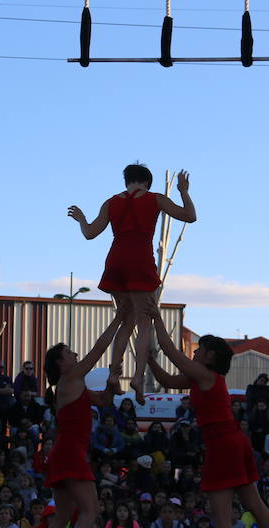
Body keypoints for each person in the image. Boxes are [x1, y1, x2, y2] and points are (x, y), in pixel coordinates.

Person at [147, 303, 269, 528]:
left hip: (224, 445)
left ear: (209, 356)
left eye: (198, 349)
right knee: (254, 504)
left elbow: (172, 352)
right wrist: (148, 360)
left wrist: (156, 317)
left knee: (222, 514)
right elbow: (166, 378)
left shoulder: (206, 375)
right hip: (231, 442)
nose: (194, 352)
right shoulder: (201, 377)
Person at [67, 164, 196, 402]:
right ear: (147, 182)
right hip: (140, 257)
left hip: (116, 258)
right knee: (144, 319)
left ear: (126, 181)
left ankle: (114, 374)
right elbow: (190, 216)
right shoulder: (155, 199)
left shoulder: (111, 202)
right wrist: (183, 191)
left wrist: (82, 219)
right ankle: (137, 376)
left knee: (125, 319)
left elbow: (90, 233)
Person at [40, 310, 125, 528]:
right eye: (70, 352)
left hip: (63, 452)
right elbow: (99, 348)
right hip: (70, 452)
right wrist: (118, 319)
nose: (76, 355)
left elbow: (105, 401)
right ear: (60, 362)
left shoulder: (74, 385)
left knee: (63, 513)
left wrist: (112, 381)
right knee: (90, 510)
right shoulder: (70, 379)